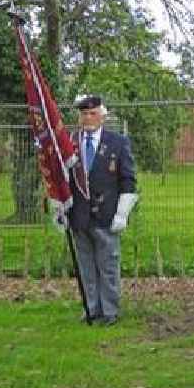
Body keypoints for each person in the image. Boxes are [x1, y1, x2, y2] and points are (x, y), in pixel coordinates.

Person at [66, 95, 138, 325]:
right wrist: (60, 208)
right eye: (84, 114)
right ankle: (91, 308)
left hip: (107, 215)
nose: (88, 118)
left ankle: (109, 312)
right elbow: (62, 178)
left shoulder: (118, 142)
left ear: (102, 116)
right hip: (79, 215)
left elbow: (128, 179)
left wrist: (122, 213)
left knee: (107, 266)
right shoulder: (71, 142)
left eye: (92, 113)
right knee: (86, 266)